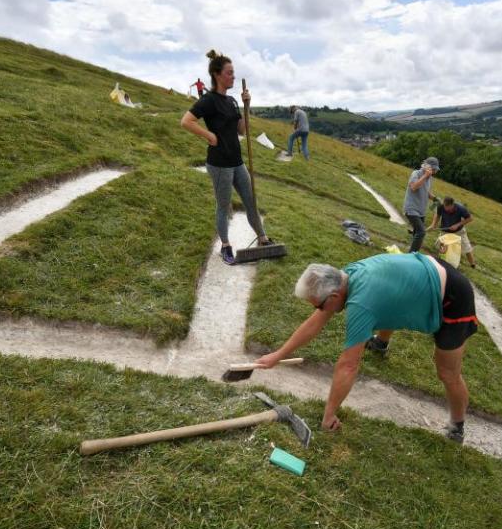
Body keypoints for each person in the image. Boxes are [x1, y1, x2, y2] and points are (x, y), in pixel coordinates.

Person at [254, 252, 479, 443]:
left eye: (320, 305)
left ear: (333, 296)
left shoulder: (361, 303)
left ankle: (456, 426)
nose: (320, 310)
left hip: (453, 297)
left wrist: (329, 414)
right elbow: (316, 321)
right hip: (428, 271)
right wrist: (279, 354)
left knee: (448, 373)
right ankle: (381, 342)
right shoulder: (344, 277)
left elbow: (348, 365)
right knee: (388, 302)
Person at [180, 50, 275, 265]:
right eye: (229, 73)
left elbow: (242, 130)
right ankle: (225, 246)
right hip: (219, 163)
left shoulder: (232, 101)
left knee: (251, 200)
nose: (233, 76)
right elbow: (186, 121)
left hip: (237, 161)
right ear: (217, 75)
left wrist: (246, 106)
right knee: (224, 206)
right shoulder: (209, 100)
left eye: (234, 73)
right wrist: (209, 135)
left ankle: (263, 238)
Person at [428, 196, 476, 269]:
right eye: (445, 207)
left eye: (449, 208)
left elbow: (470, 218)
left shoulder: (460, 209)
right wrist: (433, 224)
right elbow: (437, 214)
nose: (446, 209)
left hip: (459, 231)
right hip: (446, 230)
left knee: (467, 248)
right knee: (442, 246)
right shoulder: (441, 206)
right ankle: (441, 261)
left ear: (452, 204)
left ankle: (473, 265)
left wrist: (457, 225)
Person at [403, 157, 439, 253]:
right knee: (421, 232)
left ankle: (411, 252)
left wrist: (435, 199)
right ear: (427, 167)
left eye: (436, 169)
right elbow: (414, 187)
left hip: (421, 211)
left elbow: (426, 192)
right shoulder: (416, 173)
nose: (435, 171)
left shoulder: (430, 178)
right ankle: (412, 255)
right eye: (434, 169)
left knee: (416, 233)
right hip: (411, 208)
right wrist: (425, 176)